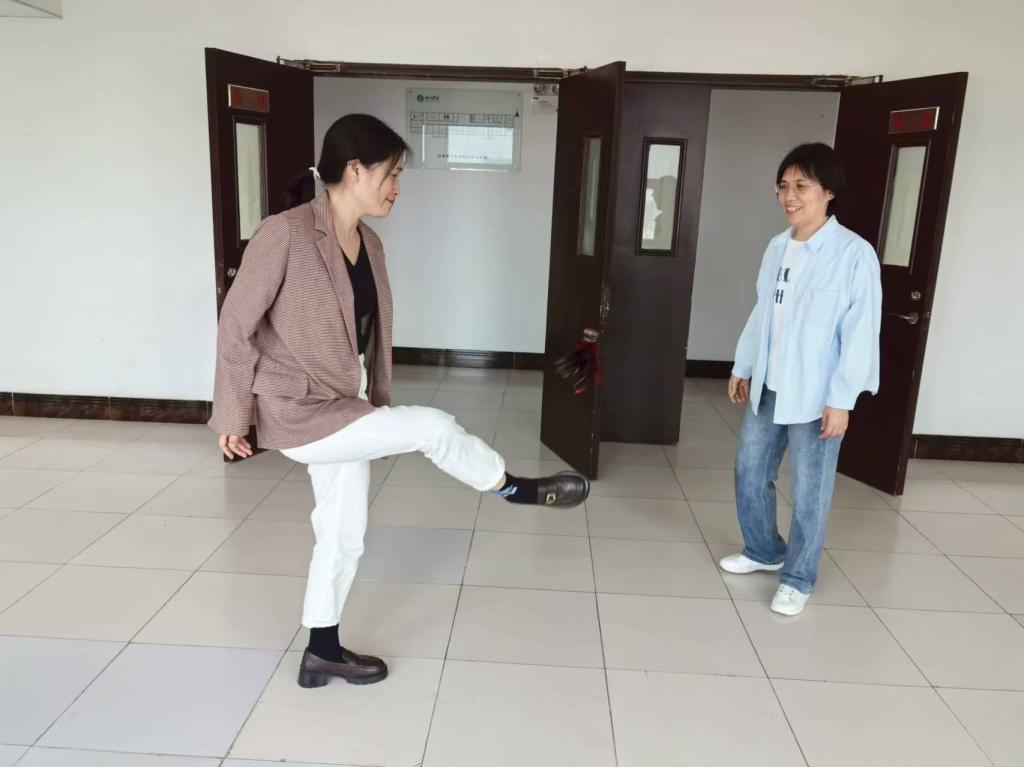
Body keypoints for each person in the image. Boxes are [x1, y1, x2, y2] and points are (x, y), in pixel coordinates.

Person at [209, 114, 589, 687]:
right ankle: (513, 488)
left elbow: (364, 335)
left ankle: (321, 651)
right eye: (391, 173)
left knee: (343, 533)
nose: (396, 187)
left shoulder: (370, 243)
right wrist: (233, 416)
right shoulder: (284, 234)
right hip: (298, 410)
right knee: (432, 426)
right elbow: (236, 324)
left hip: (347, 402)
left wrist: (373, 398)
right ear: (355, 170)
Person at [719, 142, 882, 616]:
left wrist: (842, 398)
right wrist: (743, 366)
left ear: (828, 191)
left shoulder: (854, 254)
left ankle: (798, 578)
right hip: (770, 386)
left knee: (811, 490)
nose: (789, 196)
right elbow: (762, 313)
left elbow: (860, 332)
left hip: (817, 395)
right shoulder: (777, 247)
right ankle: (764, 549)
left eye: (801, 186)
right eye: (783, 186)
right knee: (750, 471)